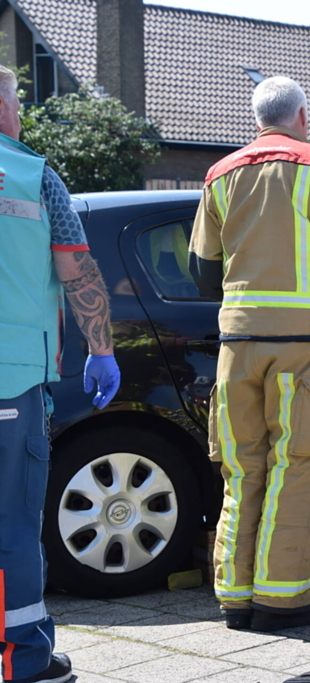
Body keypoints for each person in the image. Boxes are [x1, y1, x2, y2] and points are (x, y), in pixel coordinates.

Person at [189, 76, 310, 632]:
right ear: (303, 117)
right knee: (298, 466)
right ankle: (282, 599)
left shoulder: (219, 176)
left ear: (258, 122)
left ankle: (235, 595)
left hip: (237, 345)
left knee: (242, 467)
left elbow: (203, 273)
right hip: (306, 348)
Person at [0, 65, 120, 683]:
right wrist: (101, 349)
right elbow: (78, 271)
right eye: (16, 100)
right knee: (14, 526)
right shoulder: (32, 175)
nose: (20, 111)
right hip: (10, 381)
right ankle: (25, 661)